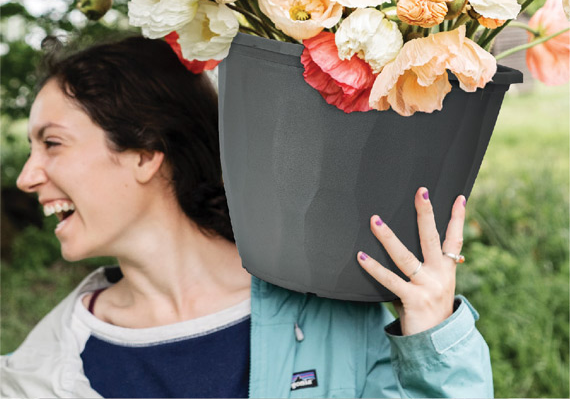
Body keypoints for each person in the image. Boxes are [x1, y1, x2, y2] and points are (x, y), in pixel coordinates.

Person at [1, 36, 493, 398]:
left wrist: (434, 339)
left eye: (52, 143)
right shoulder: (38, 375)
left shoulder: (323, 313)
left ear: (146, 153)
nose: (26, 177)